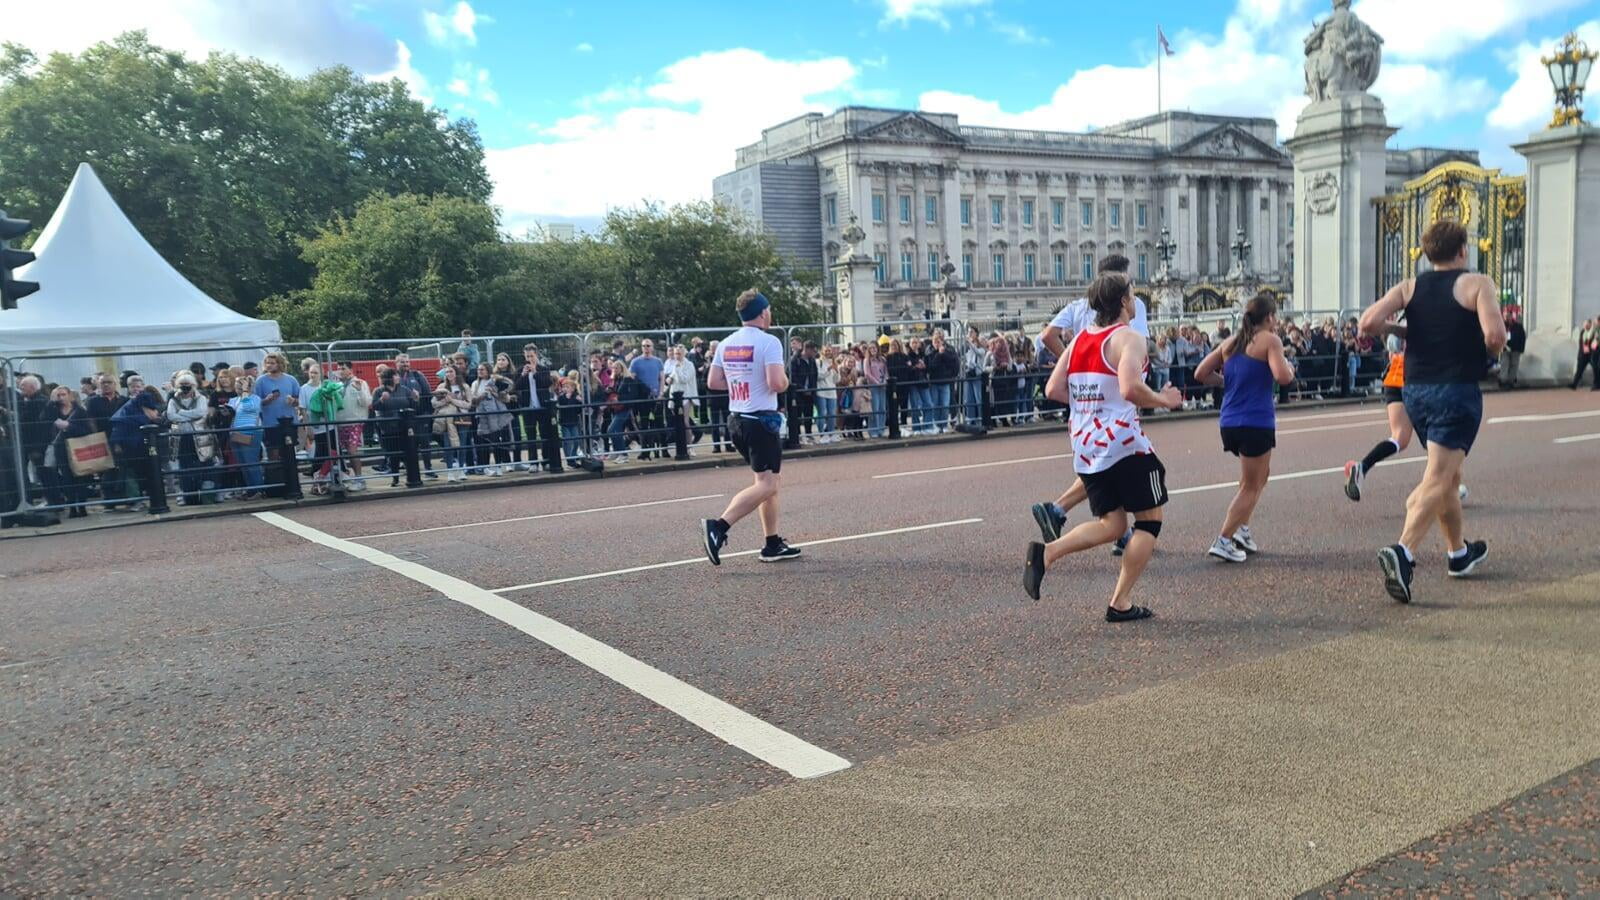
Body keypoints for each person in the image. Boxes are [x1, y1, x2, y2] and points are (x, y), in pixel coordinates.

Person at [1358, 220, 1506, 603]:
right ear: (1462, 250)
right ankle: (1403, 551)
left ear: (1427, 253)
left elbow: (1368, 322)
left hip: (1415, 390)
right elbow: (1495, 336)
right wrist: (1486, 351)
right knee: (1439, 477)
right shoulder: (1477, 283)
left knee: (1449, 474)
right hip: (1455, 387)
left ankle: (1458, 553)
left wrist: (1404, 331)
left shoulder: (1410, 286)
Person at [1024, 273, 1183, 619]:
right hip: (1125, 446)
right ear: (1124, 301)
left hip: (1086, 447)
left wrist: (1090, 405)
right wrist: (1164, 400)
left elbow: (1053, 389)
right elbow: (1129, 388)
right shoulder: (1129, 338)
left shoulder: (1081, 338)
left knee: (1112, 525)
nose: (1134, 299)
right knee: (1149, 522)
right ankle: (1120, 602)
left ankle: (1047, 554)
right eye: (1132, 294)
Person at [1030, 255, 1151, 556]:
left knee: (1103, 464)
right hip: (1118, 401)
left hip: (1085, 408)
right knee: (1120, 464)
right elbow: (1136, 353)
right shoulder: (1130, 312)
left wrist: (1076, 377)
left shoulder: (1079, 309)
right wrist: (1159, 397)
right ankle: (1112, 532)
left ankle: (1064, 514)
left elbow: (1048, 338)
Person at [1193, 293, 1296, 562]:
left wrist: (1225, 382)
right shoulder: (1270, 340)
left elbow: (1200, 373)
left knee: (1258, 477)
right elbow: (1282, 376)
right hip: (1255, 420)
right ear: (1269, 317)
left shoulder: (1231, 342)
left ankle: (1242, 529)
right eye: (1275, 316)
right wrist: (1291, 369)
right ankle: (1224, 538)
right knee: (1252, 485)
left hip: (1229, 420)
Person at [701, 289, 800, 565]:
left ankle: (772, 543)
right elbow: (777, 383)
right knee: (769, 484)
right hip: (760, 421)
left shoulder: (726, 343)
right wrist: (785, 382)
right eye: (769, 309)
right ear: (763, 312)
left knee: (767, 483)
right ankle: (718, 526)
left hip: (737, 419)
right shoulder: (769, 342)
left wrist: (742, 384)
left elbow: (714, 382)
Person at [41, 386, 93, 517]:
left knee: (81, 477)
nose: (61, 398)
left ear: (69, 395)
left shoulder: (79, 411)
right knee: (66, 477)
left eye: (63, 394)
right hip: (61, 448)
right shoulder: (53, 410)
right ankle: (72, 507)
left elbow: (87, 430)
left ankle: (82, 506)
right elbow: (43, 419)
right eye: (58, 395)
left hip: (77, 446)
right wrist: (51, 403)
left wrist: (69, 426)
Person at [254, 353, 300, 493]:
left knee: (289, 453)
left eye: (272, 363)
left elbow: (299, 400)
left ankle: (292, 484)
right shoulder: (260, 381)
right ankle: (276, 486)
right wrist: (266, 400)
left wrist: (293, 401)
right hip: (270, 423)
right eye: (267, 363)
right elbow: (256, 402)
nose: (269, 365)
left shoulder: (291, 380)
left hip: (289, 422)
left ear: (279, 364)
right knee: (273, 454)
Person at [166, 373, 211, 506]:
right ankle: (188, 497)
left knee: (199, 466)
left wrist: (181, 413)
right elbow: (171, 416)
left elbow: (201, 412)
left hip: (198, 437)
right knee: (184, 468)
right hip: (181, 437)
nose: (185, 387)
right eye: (182, 385)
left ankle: (201, 496)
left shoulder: (201, 398)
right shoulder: (173, 400)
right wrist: (190, 416)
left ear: (193, 385)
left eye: (188, 385)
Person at [472, 363, 515, 475]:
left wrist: (498, 382)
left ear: (488, 370)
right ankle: (486, 467)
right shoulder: (475, 384)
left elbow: (510, 386)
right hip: (483, 415)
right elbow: (473, 400)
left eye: (482, 369)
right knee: (485, 441)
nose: (479, 371)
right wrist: (482, 396)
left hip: (497, 414)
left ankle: (500, 465)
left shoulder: (494, 381)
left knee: (498, 440)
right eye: (478, 369)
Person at [229, 374, 267, 499]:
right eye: (237, 385)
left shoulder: (255, 399)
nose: (238, 388)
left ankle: (258, 489)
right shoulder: (234, 400)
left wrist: (245, 392)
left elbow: (248, 407)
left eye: (241, 386)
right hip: (235, 433)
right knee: (243, 463)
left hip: (251, 432)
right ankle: (250, 489)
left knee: (251, 461)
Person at [334, 363, 372, 489]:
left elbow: (366, 402)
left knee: (352, 450)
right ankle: (349, 477)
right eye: (338, 369)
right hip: (340, 423)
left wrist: (359, 390)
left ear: (350, 370)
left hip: (355, 422)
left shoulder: (360, 383)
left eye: (343, 368)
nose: (340, 371)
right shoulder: (336, 385)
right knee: (344, 452)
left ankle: (360, 479)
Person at [628, 339, 666, 460]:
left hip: (656, 397)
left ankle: (664, 449)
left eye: (648, 345)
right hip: (642, 398)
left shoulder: (658, 361)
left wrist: (661, 393)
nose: (646, 348)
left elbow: (662, 378)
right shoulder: (635, 362)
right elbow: (631, 378)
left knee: (659, 423)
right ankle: (645, 451)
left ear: (652, 347)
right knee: (643, 424)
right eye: (644, 346)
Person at [662, 344, 699, 453]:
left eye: (678, 353)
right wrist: (668, 380)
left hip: (686, 395)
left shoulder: (689, 365)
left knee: (685, 421)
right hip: (674, 396)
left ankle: (689, 446)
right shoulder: (675, 365)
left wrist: (677, 370)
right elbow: (671, 378)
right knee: (678, 422)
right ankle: (682, 445)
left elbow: (684, 379)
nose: (676, 356)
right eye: (675, 354)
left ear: (684, 354)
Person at [1571, 319, 1598, 389]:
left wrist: (1593, 350)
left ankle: (1596, 384)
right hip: (1583, 355)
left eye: (1587, 324)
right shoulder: (1583, 332)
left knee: (1596, 369)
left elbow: (1595, 344)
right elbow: (1583, 343)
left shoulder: (1594, 333)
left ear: (1590, 325)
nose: (1585, 325)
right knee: (1579, 370)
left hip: (1591, 355)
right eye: (1584, 324)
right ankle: (1574, 384)